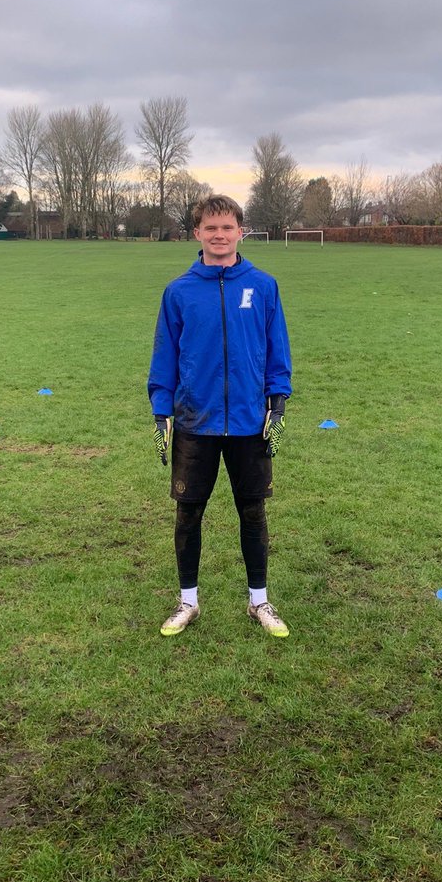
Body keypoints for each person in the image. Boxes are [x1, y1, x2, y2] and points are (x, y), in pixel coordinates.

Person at [147, 194, 292, 638]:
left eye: (227, 227)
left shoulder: (264, 286)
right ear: (197, 234)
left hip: (250, 421)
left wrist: (278, 400)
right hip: (195, 420)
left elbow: (276, 349)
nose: (219, 235)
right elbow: (165, 354)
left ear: (240, 231)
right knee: (188, 514)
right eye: (210, 228)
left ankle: (259, 601)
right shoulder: (179, 291)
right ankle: (187, 601)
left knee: (253, 511)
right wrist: (161, 408)